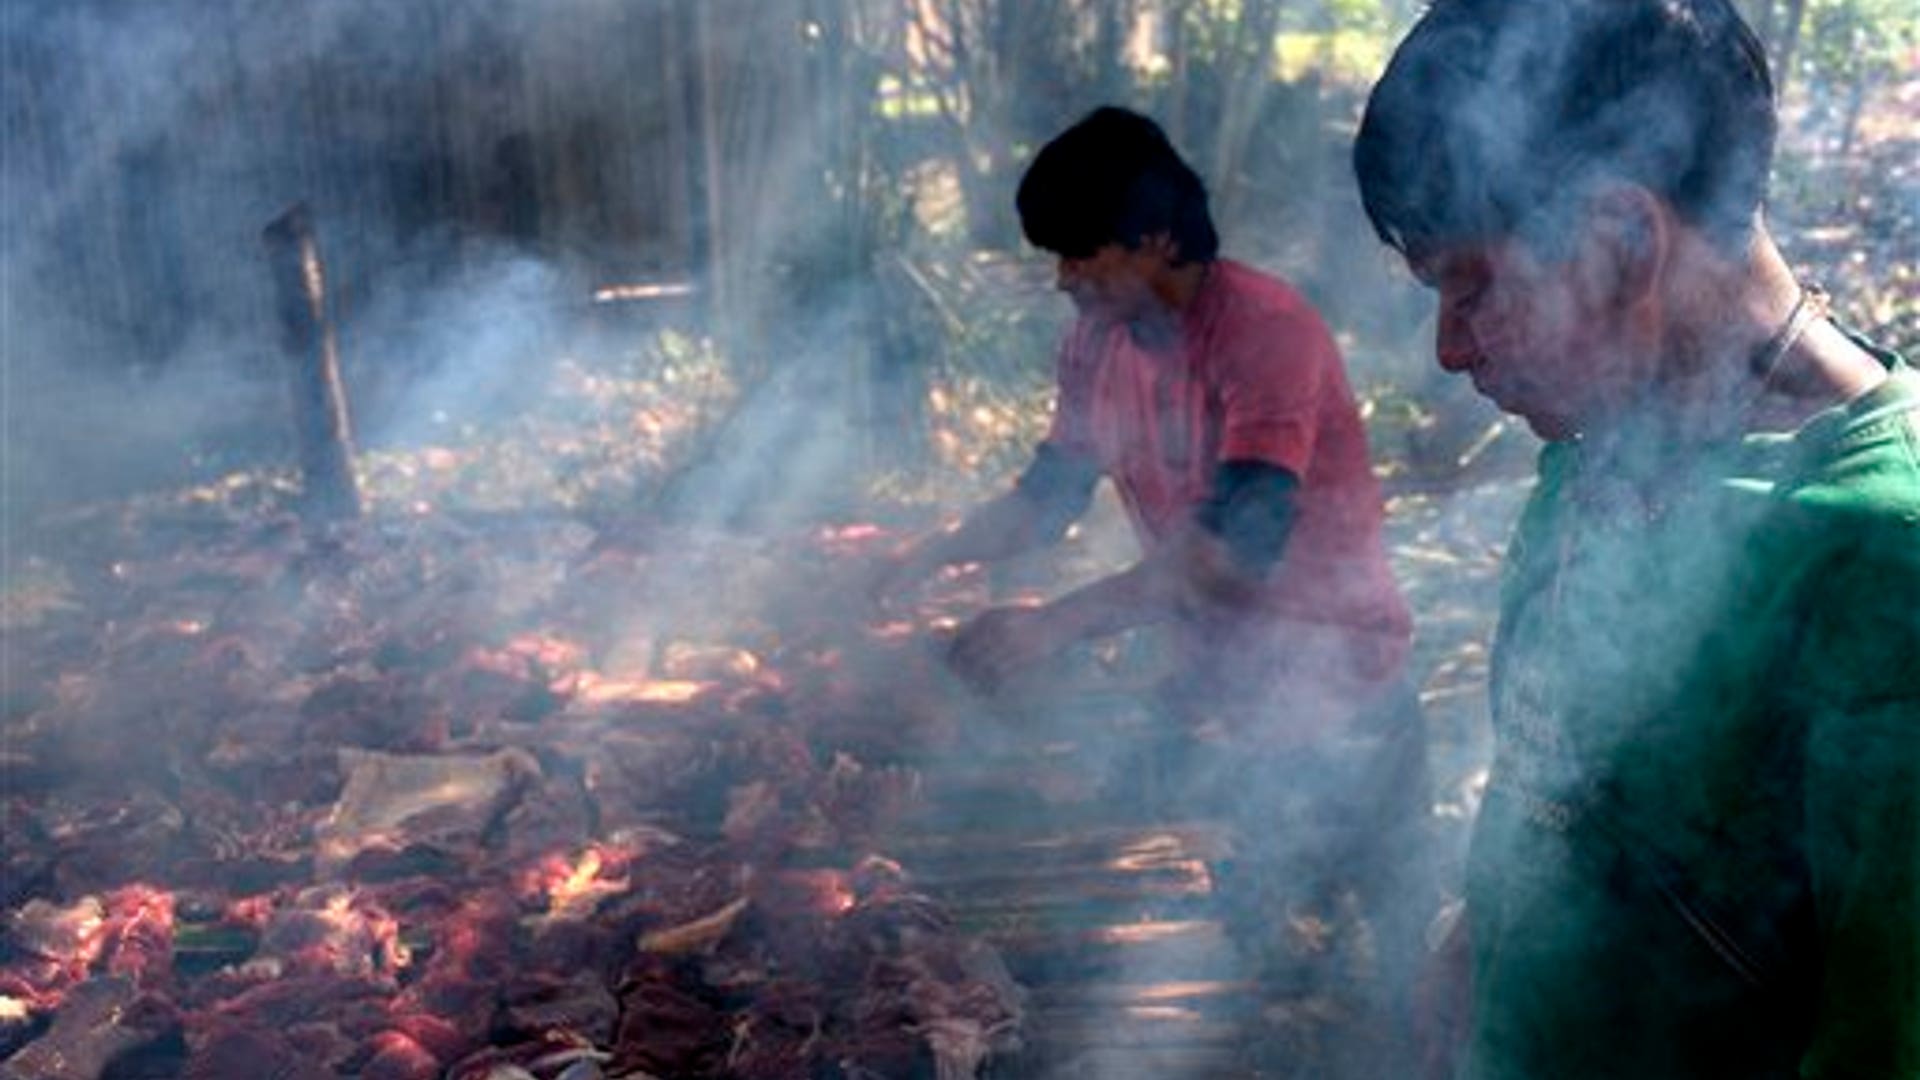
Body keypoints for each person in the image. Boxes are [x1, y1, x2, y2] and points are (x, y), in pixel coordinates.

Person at [1353, 1, 1920, 1077]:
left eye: (1469, 284)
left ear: (1622, 241)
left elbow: (1885, 1039)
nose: (1447, 349)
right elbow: (1560, 779)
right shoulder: (1606, 442)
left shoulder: (1886, 559)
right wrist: (1477, 939)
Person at [875, 105, 1430, 1065]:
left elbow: (1229, 554)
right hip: (1221, 700)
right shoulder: (1096, 344)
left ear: (1157, 237)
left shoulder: (1266, 331)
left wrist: (1054, 625)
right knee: (1248, 973)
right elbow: (1046, 501)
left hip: (1341, 698)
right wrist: (919, 560)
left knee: (1394, 980)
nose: (1065, 280)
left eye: (1082, 255)